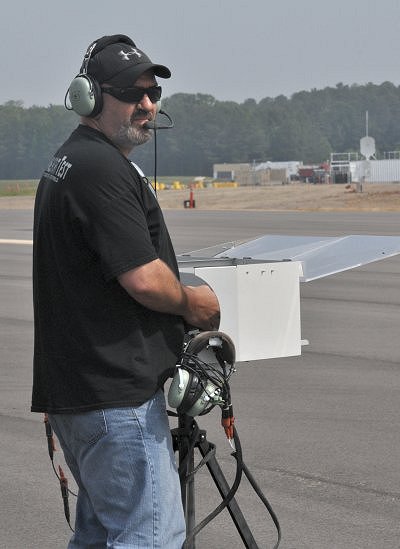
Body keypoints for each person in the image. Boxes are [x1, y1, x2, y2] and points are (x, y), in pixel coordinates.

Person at [31, 34, 220, 549]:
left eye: (153, 93)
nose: (148, 105)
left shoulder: (73, 161)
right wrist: (194, 303)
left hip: (84, 393)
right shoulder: (98, 169)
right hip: (113, 398)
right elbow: (143, 278)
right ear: (89, 98)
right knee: (151, 536)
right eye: (132, 93)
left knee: (101, 535)